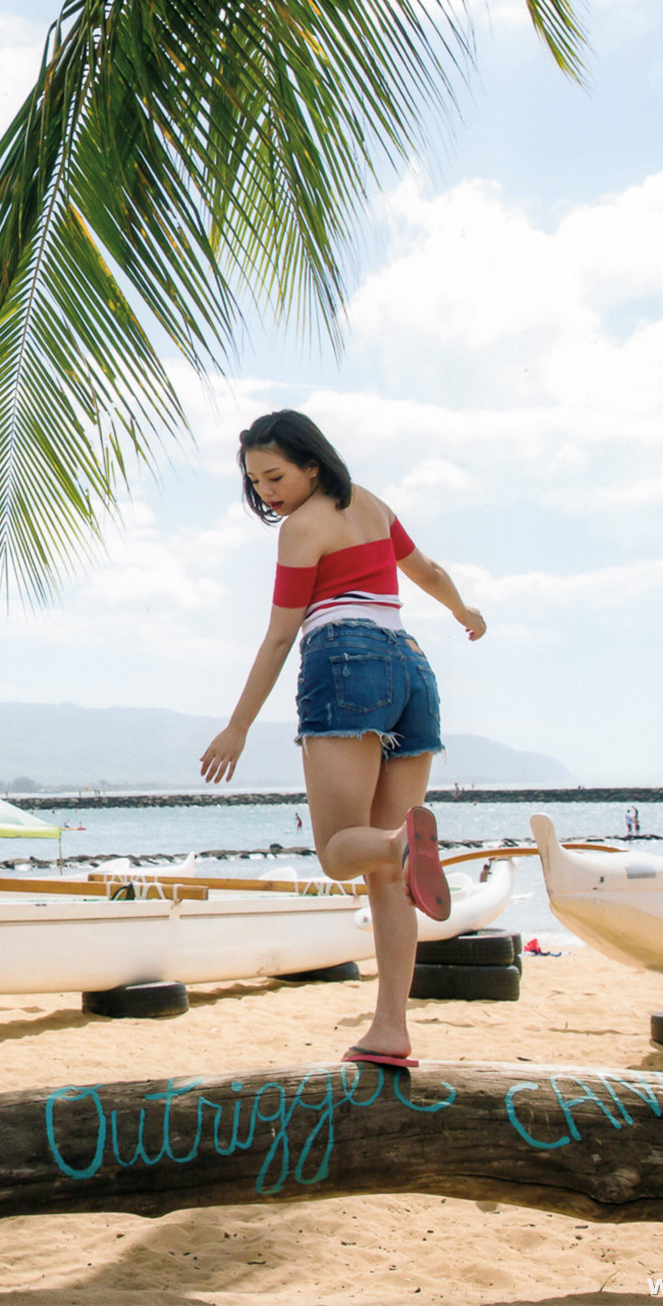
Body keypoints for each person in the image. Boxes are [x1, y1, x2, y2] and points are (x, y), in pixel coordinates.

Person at [201, 410, 485, 1067]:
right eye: (255, 482)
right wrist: (463, 612)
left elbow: (279, 636)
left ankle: (399, 843)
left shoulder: (303, 529)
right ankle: (391, 1030)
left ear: (312, 464)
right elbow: (430, 569)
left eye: (275, 476)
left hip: (345, 658)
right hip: (412, 667)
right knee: (389, 878)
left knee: (338, 851)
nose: (267, 492)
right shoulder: (376, 507)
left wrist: (237, 726)